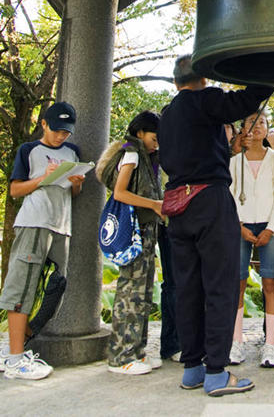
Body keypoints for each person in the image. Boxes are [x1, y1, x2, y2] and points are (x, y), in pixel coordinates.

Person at [158, 54, 274, 397]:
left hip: (178, 206)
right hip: (209, 201)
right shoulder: (205, 99)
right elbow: (246, 99)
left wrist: (226, 150)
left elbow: (190, 158)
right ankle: (216, 373)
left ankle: (193, 368)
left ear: (176, 81)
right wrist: (270, 69)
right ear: (204, 78)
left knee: (188, 288)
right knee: (220, 285)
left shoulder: (167, 115)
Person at [0, 102, 84, 380]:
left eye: (66, 132)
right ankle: (15, 359)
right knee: (21, 288)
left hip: (62, 227)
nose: (61, 136)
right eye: (57, 130)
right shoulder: (29, 150)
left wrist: (76, 182)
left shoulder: (73, 153)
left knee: (55, 288)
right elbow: (15, 190)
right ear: (44, 124)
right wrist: (42, 179)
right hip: (34, 222)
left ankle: (18, 348)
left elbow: (73, 194)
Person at [99, 111, 164, 374]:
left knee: (143, 293)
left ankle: (137, 351)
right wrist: (154, 204)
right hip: (135, 231)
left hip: (146, 231)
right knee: (131, 293)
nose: (156, 144)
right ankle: (121, 356)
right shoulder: (132, 153)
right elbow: (120, 193)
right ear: (140, 133)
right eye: (154, 138)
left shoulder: (145, 155)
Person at [229, 112, 274, 368]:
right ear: (243, 128)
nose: (257, 126)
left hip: (268, 225)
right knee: (238, 283)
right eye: (251, 121)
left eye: (262, 121)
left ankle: (270, 345)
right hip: (240, 226)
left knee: (270, 283)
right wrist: (238, 226)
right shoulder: (234, 161)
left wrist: (271, 229)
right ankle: (236, 342)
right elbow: (229, 196)